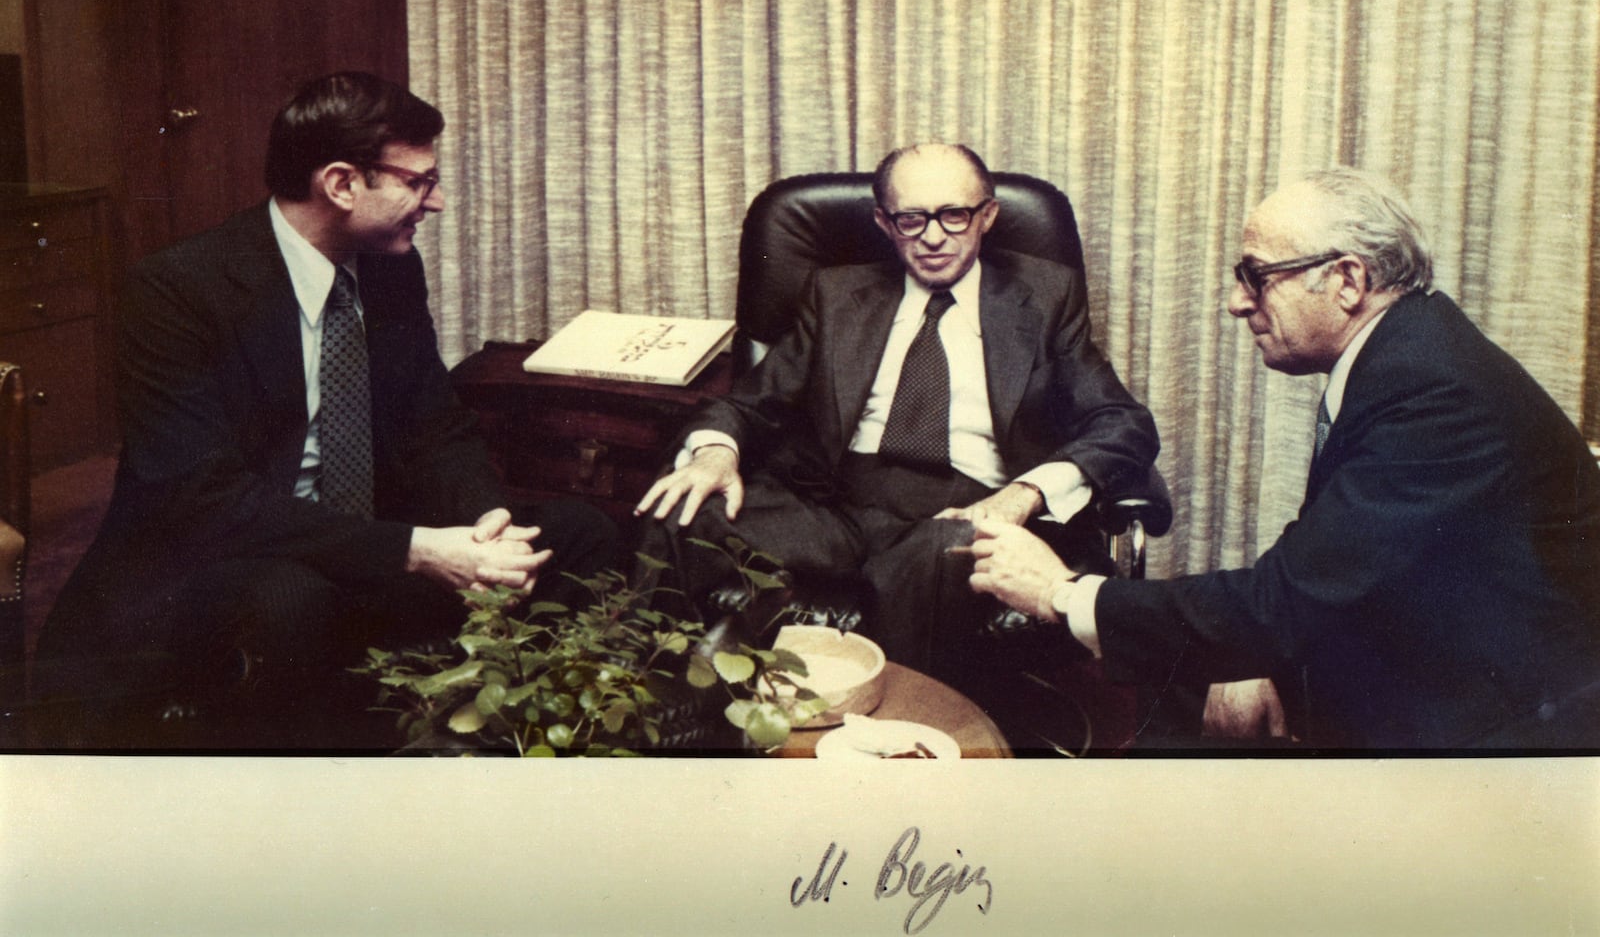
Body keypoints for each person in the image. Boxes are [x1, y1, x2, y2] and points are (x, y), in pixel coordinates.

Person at [36, 72, 617, 749]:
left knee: (576, 533)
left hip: (360, 543)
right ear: (342, 184)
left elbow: (435, 425)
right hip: (219, 559)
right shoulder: (176, 292)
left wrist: (487, 527)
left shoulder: (389, 268)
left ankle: (488, 737)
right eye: (418, 182)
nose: (437, 202)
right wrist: (421, 550)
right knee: (290, 600)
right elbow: (206, 504)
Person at [970, 167, 1600, 749]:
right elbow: (1328, 555)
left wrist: (1061, 593)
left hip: (1498, 725)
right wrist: (1251, 655)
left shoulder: (1432, 393)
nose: (1237, 303)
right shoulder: (1404, 352)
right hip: (1429, 656)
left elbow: (1291, 602)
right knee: (1176, 696)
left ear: (1347, 280)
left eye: (1256, 275)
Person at [635, 143, 1159, 672]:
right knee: (681, 502)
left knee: (944, 552)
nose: (933, 237)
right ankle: (646, 708)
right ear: (885, 224)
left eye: (954, 215)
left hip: (960, 512)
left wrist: (1021, 497)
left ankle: (888, 734)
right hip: (832, 508)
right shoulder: (837, 294)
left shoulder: (1044, 297)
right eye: (912, 219)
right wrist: (713, 455)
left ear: (988, 216)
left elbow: (1123, 424)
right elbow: (749, 402)